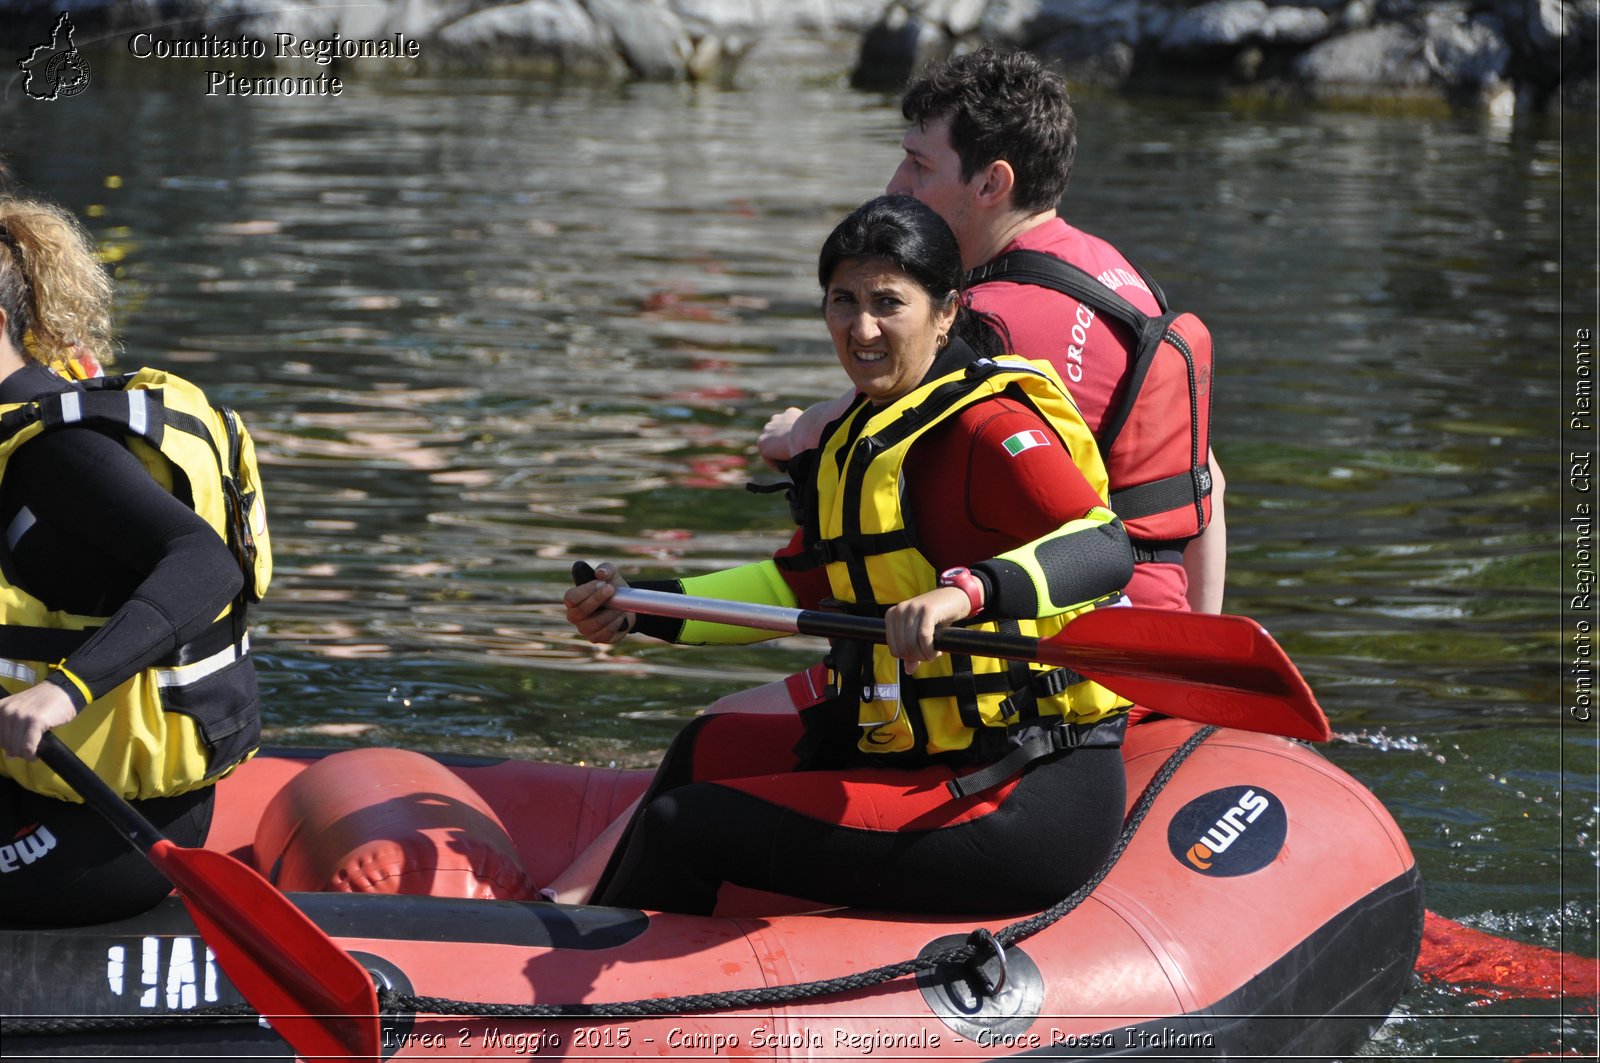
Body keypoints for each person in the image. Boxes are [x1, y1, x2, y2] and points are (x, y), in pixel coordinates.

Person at [560, 196, 1135, 915]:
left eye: (888, 303)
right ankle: (572, 936)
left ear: (947, 310)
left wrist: (965, 594)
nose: (861, 328)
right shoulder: (856, 436)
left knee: (688, 826)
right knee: (705, 749)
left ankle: (600, 1012)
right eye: (843, 300)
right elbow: (790, 585)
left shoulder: (992, 428)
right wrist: (638, 606)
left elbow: (1105, 546)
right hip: (915, 752)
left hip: (1027, 786)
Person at [760, 46, 1227, 616]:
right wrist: (1201, 656)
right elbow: (1205, 483)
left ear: (990, 184)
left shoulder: (987, 319)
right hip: (1159, 634)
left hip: (1067, 648)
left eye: (919, 164)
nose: (894, 185)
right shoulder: (1120, 275)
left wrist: (791, 433)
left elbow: (847, 431)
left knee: (728, 711)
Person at [0, 195, 262, 927]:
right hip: (38, 791)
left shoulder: (60, 451)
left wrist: (61, 693)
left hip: (104, 831)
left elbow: (206, 564)